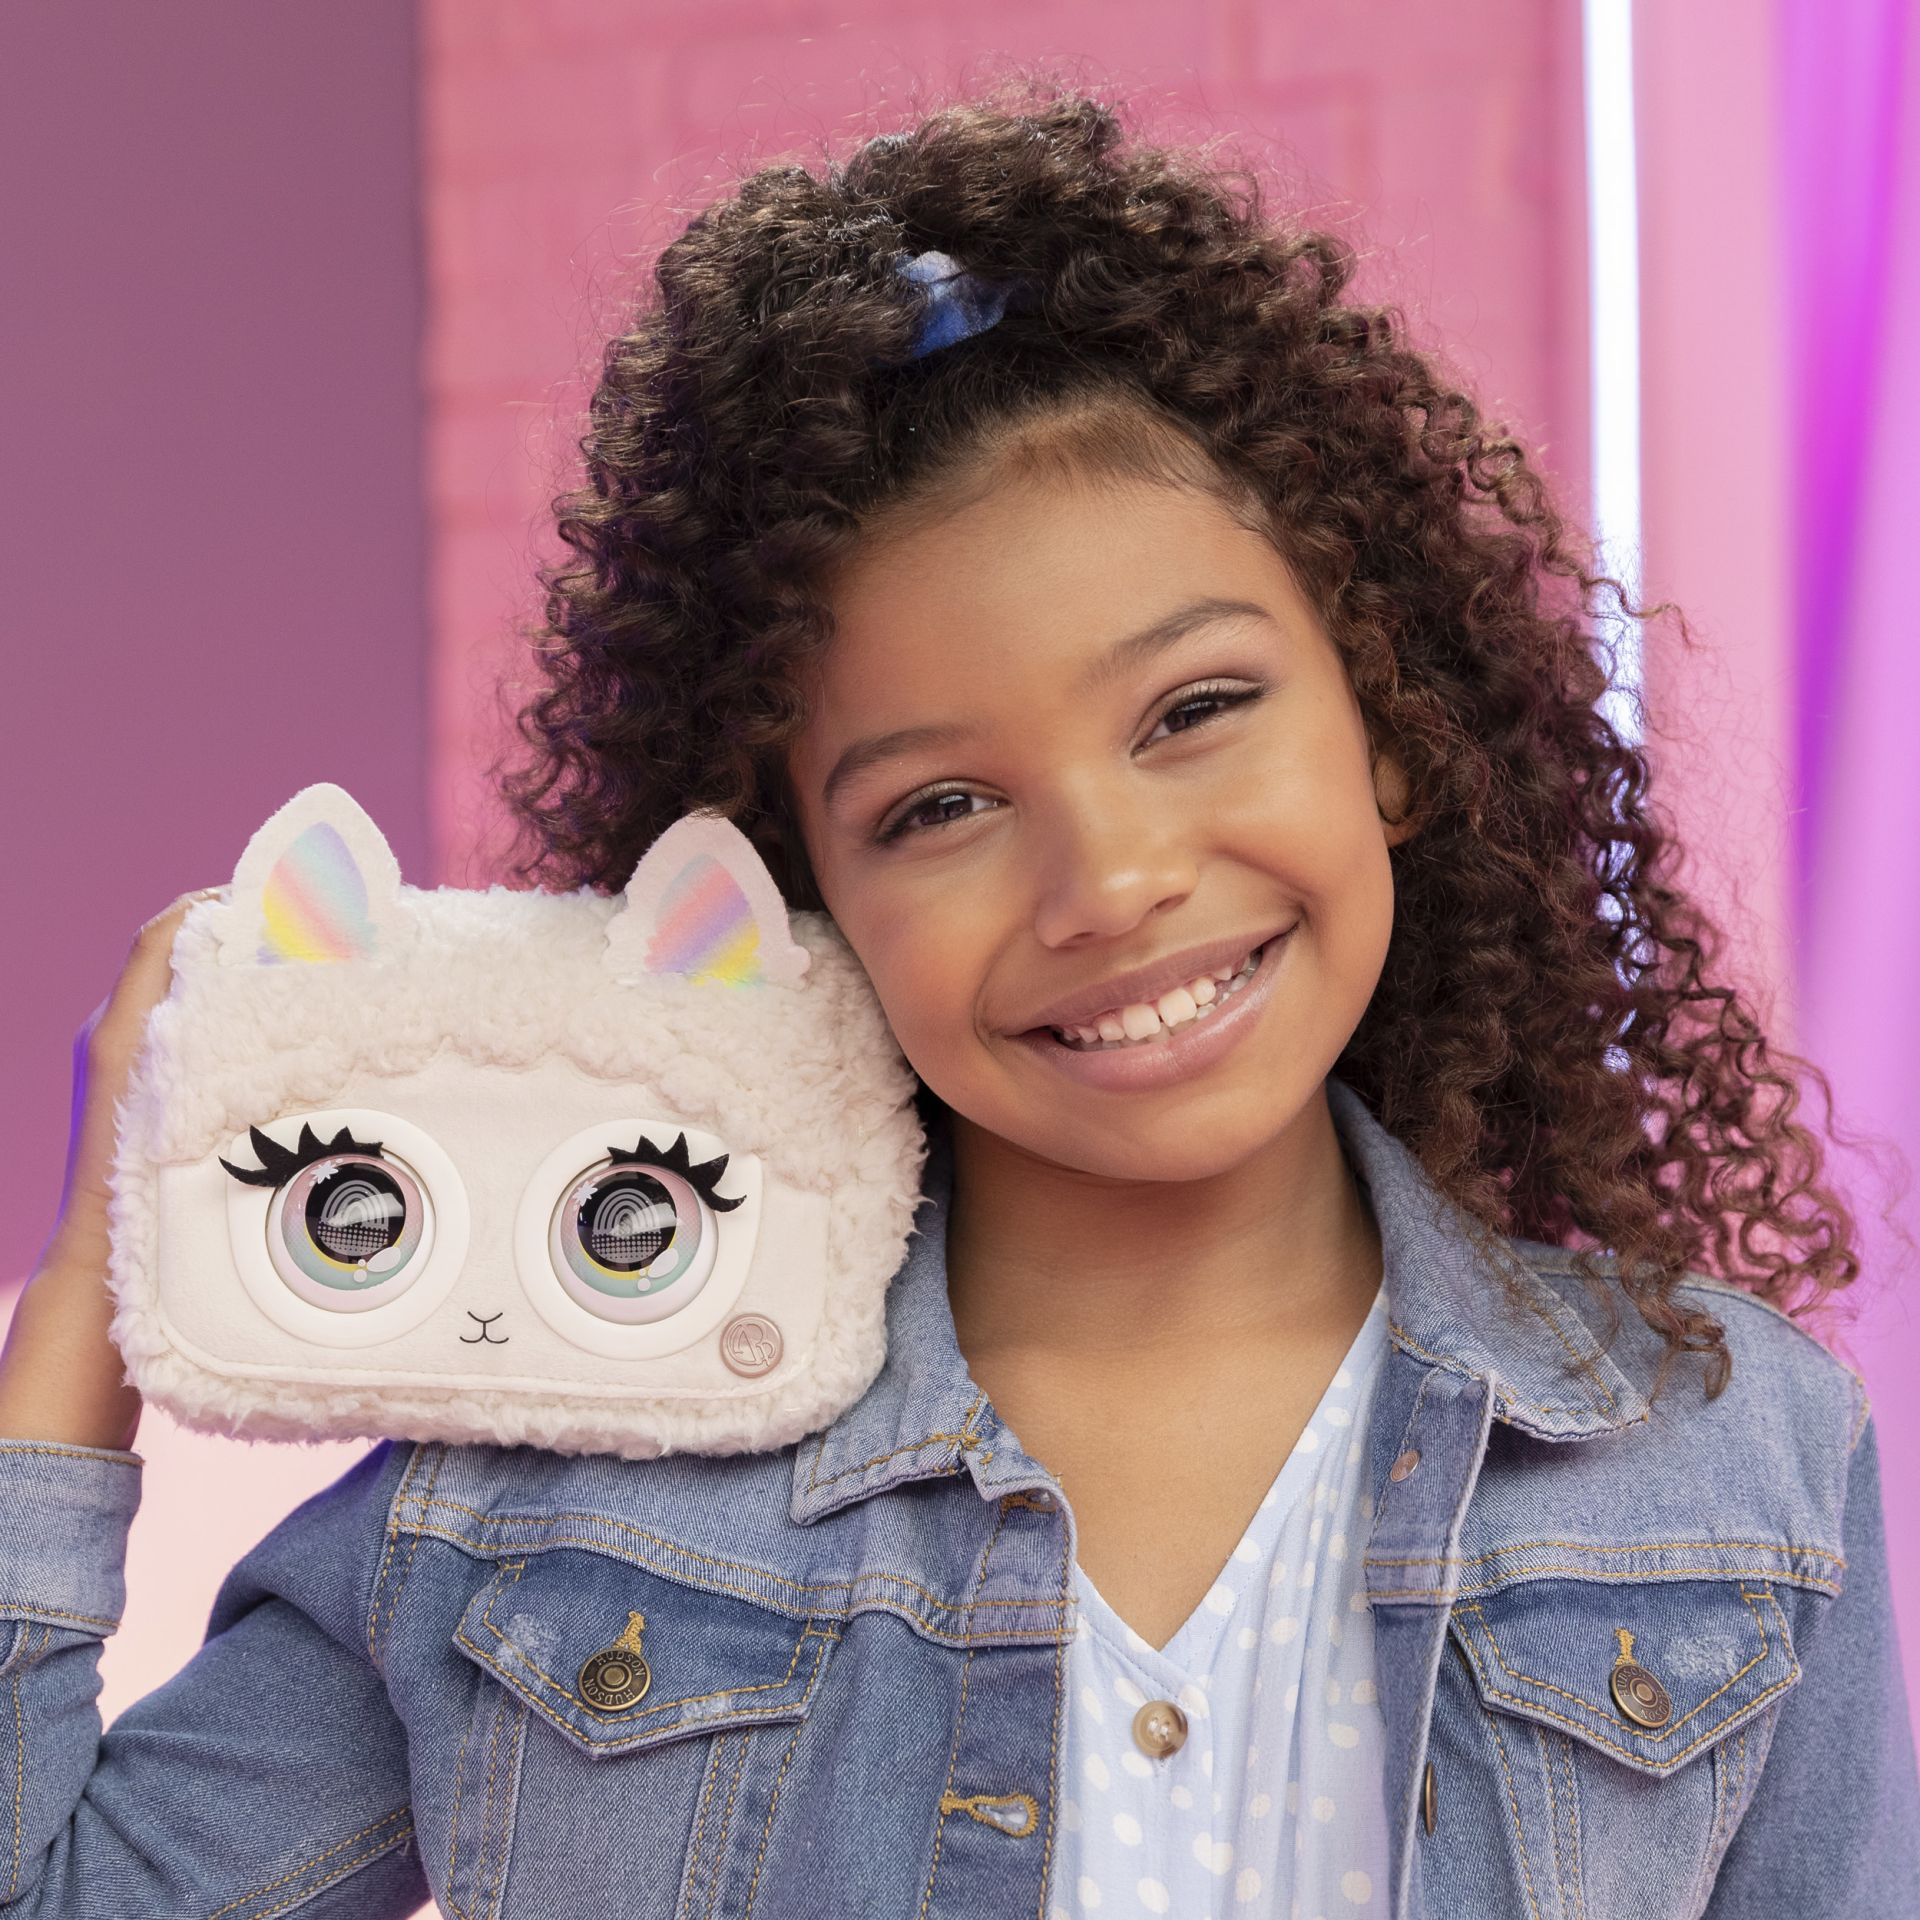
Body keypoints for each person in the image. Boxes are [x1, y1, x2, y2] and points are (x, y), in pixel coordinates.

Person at [3, 77, 1916, 1919]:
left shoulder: (1735, 1469)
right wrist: (107, 1265)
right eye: (940, 808)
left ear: (1391, 725)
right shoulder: (555, 1485)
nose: (1111, 883)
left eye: (1193, 710)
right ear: (806, 903)